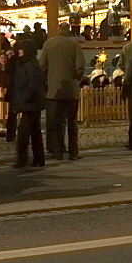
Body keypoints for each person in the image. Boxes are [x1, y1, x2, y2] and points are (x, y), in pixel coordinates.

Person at [38, 22, 85, 160]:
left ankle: (57, 150)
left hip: (53, 91)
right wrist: (76, 78)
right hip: (70, 90)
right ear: (69, 31)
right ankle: (73, 152)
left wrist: (47, 82)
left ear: (58, 30)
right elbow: (80, 66)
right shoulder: (74, 45)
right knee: (72, 122)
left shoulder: (48, 44)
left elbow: (42, 65)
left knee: (55, 122)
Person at [10, 39, 45, 168]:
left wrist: (23, 99)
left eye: (21, 49)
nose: (18, 51)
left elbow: (32, 85)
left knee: (24, 133)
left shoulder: (30, 65)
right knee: (35, 131)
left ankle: (22, 159)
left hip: (30, 104)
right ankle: (38, 159)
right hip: (30, 103)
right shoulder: (25, 63)